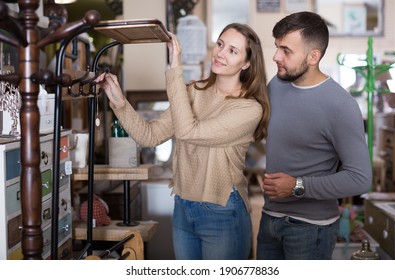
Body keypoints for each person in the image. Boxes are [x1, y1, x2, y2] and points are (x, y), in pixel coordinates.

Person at [95, 23, 270, 260]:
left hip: (222, 211)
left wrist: (175, 68)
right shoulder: (193, 92)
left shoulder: (248, 109)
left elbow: (188, 131)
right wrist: (119, 102)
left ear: (247, 63)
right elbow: (150, 136)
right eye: (220, 44)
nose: (220, 53)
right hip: (183, 206)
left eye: (233, 50)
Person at [256, 11, 372, 260]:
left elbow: (360, 179)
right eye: (277, 47)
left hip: (311, 230)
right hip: (269, 220)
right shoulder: (277, 85)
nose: (276, 56)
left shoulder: (340, 105)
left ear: (313, 56)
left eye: (286, 50)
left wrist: (297, 186)